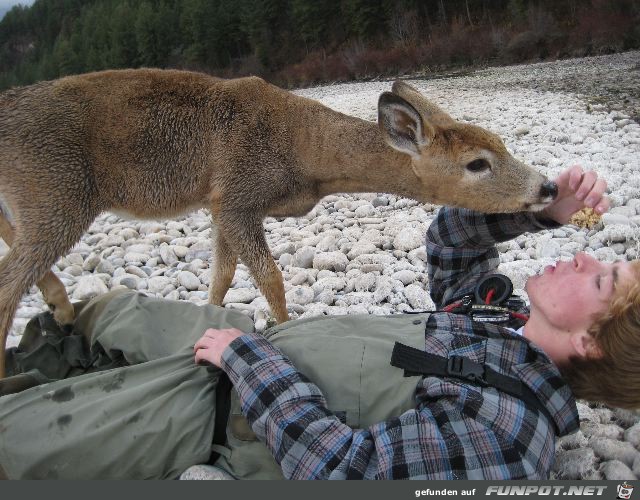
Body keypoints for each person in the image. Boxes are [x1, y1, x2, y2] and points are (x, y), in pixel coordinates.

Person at [0, 165, 638, 480]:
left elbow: (342, 471)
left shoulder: (510, 432)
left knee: (21, 440)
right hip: (246, 343)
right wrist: (541, 208)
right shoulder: (505, 318)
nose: (584, 256)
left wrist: (244, 361)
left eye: (601, 279)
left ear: (587, 342)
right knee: (103, 313)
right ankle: (38, 362)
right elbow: (451, 242)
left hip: (225, 410)